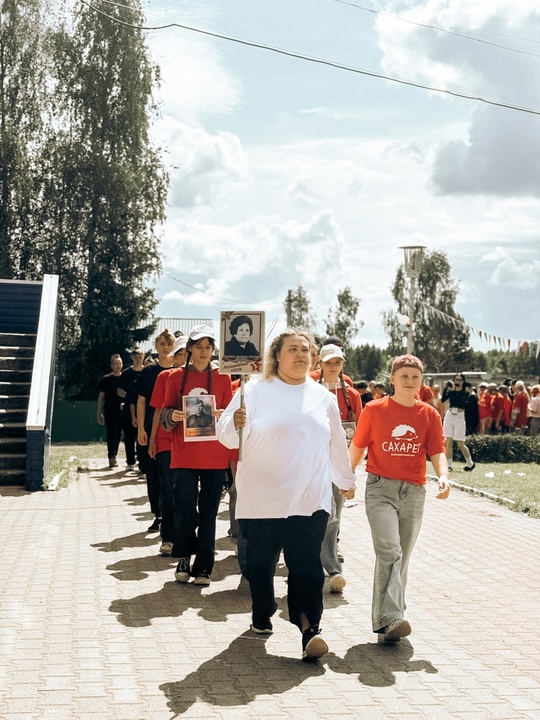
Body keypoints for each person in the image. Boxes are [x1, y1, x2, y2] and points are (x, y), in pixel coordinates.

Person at [217, 329, 356, 662]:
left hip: (309, 499)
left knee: (306, 567)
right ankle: (262, 610)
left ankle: (310, 629)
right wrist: (234, 423)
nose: (300, 354)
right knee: (260, 565)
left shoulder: (323, 397)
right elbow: (226, 438)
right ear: (276, 356)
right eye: (292, 349)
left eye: (305, 349)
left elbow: (336, 443)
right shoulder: (253, 390)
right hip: (261, 500)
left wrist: (345, 479)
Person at [349, 353, 450, 644]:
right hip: (380, 489)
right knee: (390, 551)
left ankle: (388, 622)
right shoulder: (374, 409)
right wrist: (346, 478)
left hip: (414, 492)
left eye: (415, 377)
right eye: (404, 376)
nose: (409, 381)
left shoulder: (429, 414)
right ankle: (393, 616)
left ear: (421, 382)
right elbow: (357, 447)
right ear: (392, 379)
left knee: (401, 557)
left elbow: (437, 451)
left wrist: (443, 475)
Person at [161, 325, 233, 586]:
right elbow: (164, 413)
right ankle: (184, 556)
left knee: (209, 511)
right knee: (183, 508)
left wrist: (223, 414)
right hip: (184, 454)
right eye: (199, 346)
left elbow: (230, 415)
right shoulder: (174, 377)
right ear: (189, 348)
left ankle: (203, 567)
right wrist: (174, 414)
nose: (204, 351)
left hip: (214, 455)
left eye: (208, 347)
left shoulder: (223, 378)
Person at [316, 343, 362, 594]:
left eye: (337, 362)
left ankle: (331, 566)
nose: (333, 367)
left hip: (339, 463)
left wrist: (350, 466)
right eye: (328, 362)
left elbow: (360, 433)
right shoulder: (311, 390)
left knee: (335, 515)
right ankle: (323, 565)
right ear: (320, 364)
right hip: (313, 462)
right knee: (321, 514)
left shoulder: (351, 395)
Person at [148, 335, 187, 556]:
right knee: (167, 491)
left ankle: (185, 537)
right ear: (173, 357)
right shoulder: (164, 377)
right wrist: (152, 439)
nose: (184, 357)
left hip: (189, 444)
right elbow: (157, 410)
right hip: (165, 443)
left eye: (187, 353)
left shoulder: (199, 377)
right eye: (180, 354)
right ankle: (169, 537)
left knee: (186, 493)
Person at [137, 329, 175, 532]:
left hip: (175, 429)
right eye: (162, 344)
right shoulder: (149, 372)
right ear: (156, 346)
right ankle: (158, 515)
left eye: (169, 344)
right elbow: (141, 401)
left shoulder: (180, 370)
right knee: (153, 473)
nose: (166, 348)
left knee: (173, 475)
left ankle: (173, 515)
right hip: (152, 427)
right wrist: (141, 429)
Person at [441, 373, 475, 471]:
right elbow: (443, 399)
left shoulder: (466, 392)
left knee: (460, 443)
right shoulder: (451, 392)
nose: (458, 382)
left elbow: (462, 402)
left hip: (459, 416)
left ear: (463, 381)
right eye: (456, 380)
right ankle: (449, 465)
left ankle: (470, 463)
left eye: (460, 380)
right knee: (449, 441)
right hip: (450, 415)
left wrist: (463, 390)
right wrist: (446, 389)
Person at [118, 348, 145, 470]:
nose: (138, 359)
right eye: (136, 357)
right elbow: (120, 391)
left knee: (142, 435)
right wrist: (131, 396)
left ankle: (142, 461)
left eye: (140, 357)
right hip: (129, 408)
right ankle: (130, 461)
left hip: (143, 408)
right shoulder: (126, 373)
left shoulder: (146, 372)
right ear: (132, 358)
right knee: (129, 436)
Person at [97, 354, 124, 469]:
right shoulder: (106, 379)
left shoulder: (125, 378)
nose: (118, 366)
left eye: (120, 363)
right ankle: (111, 457)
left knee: (118, 434)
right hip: (109, 410)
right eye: (116, 364)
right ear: (112, 365)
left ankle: (115, 455)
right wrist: (99, 413)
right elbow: (101, 397)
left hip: (122, 410)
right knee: (111, 433)